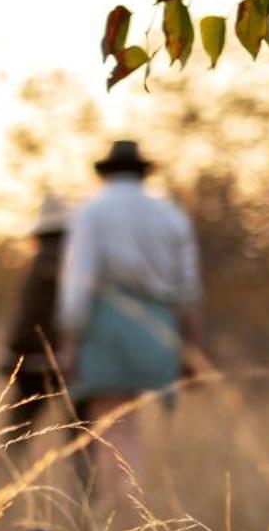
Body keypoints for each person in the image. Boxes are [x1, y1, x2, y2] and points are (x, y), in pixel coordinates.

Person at [58, 139, 201, 488]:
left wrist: (70, 342)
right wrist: (192, 345)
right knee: (129, 421)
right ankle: (132, 502)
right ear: (141, 173)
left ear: (106, 173)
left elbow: (78, 282)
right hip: (158, 329)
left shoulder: (92, 211)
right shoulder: (171, 214)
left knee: (110, 424)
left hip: (108, 324)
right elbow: (190, 288)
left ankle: (117, 509)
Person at [0, 194, 69, 434]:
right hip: (72, 357)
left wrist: (13, 350)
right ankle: (83, 472)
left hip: (35, 359)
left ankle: (7, 470)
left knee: (18, 430)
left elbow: (28, 315)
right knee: (79, 428)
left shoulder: (39, 265)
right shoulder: (78, 266)